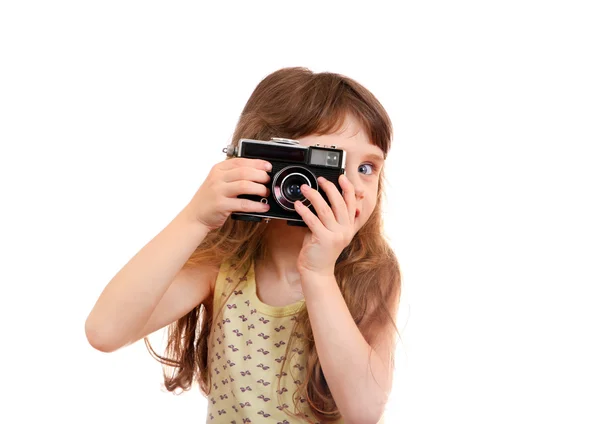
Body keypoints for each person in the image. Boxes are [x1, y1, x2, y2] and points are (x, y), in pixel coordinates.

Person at [85, 67, 402, 424]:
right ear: (269, 160)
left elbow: (364, 411)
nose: (356, 187)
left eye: (368, 167)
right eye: (332, 162)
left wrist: (318, 273)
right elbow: (104, 331)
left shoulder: (371, 271)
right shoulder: (225, 266)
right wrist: (195, 218)